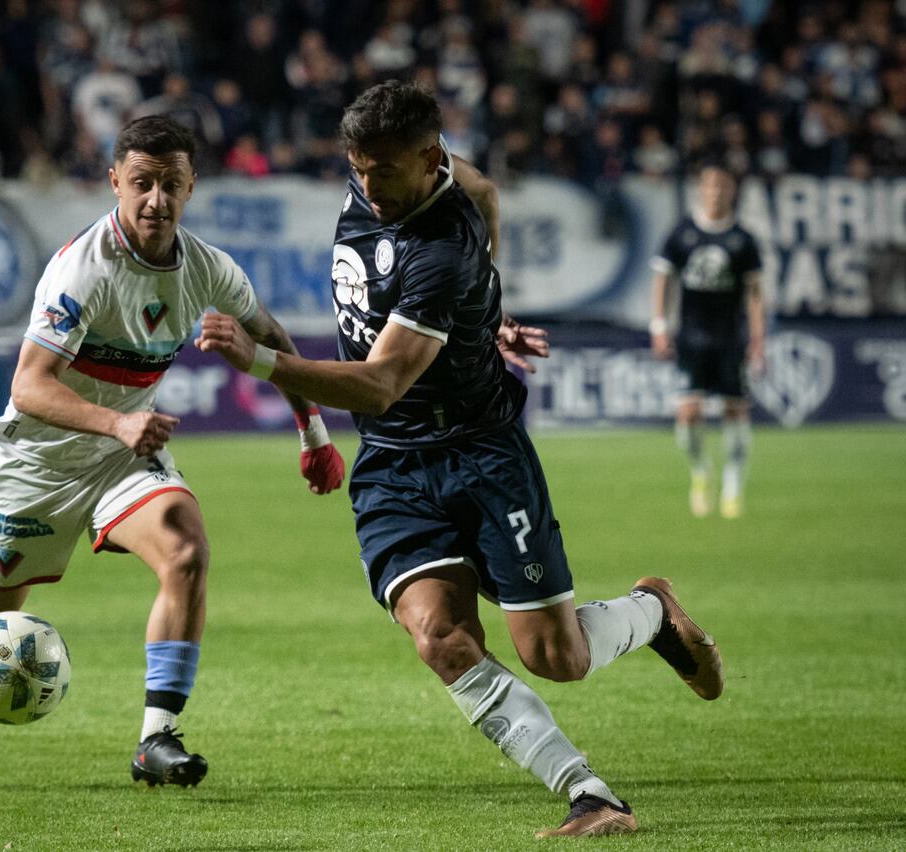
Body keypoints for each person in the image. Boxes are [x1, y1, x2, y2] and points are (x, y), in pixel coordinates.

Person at [196, 81, 723, 838]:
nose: (368, 185)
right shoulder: (407, 180)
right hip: (394, 464)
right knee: (440, 638)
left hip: (480, 452)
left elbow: (378, 384)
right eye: (358, 167)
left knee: (556, 656)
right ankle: (589, 793)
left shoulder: (441, 250)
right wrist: (488, 312)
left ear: (429, 159)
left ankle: (652, 612)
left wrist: (260, 360)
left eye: (384, 170)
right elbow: (487, 189)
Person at [0, 116, 345, 786]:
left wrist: (310, 429)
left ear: (191, 186)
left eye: (171, 184)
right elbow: (28, 386)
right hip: (41, 465)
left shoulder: (208, 269)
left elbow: (273, 335)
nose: (156, 200)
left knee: (186, 549)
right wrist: (114, 424)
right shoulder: (83, 270)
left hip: (123, 458)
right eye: (142, 183)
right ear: (115, 181)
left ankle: (155, 739)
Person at [650, 162, 765, 519]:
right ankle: (701, 472)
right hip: (692, 338)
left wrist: (759, 338)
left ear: (731, 190)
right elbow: (662, 280)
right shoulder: (682, 234)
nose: (715, 192)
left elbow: (755, 293)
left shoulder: (743, 239)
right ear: (700, 189)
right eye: (710, 185)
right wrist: (658, 326)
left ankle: (733, 483)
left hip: (731, 338)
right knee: (687, 413)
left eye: (722, 185)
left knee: (735, 410)